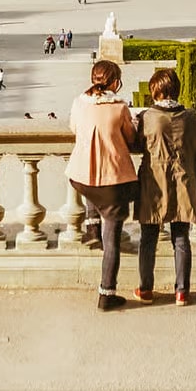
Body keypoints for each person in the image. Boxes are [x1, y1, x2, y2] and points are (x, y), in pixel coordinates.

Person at [67, 59, 140, 311]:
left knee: (90, 181)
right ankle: (106, 292)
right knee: (113, 241)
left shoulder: (79, 102)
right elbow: (131, 139)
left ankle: (91, 225)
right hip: (111, 181)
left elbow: (74, 128)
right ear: (116, 82)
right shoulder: (119, 107)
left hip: (80, 176)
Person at [135, 68, 196, 305]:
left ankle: (146, 289)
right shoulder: (189, 117)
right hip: (182, 180)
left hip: (154, 182)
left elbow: (135, 140)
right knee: (181, 238)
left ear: (155, 91)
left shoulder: (147, 117)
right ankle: (182, 291)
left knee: (148, 237)